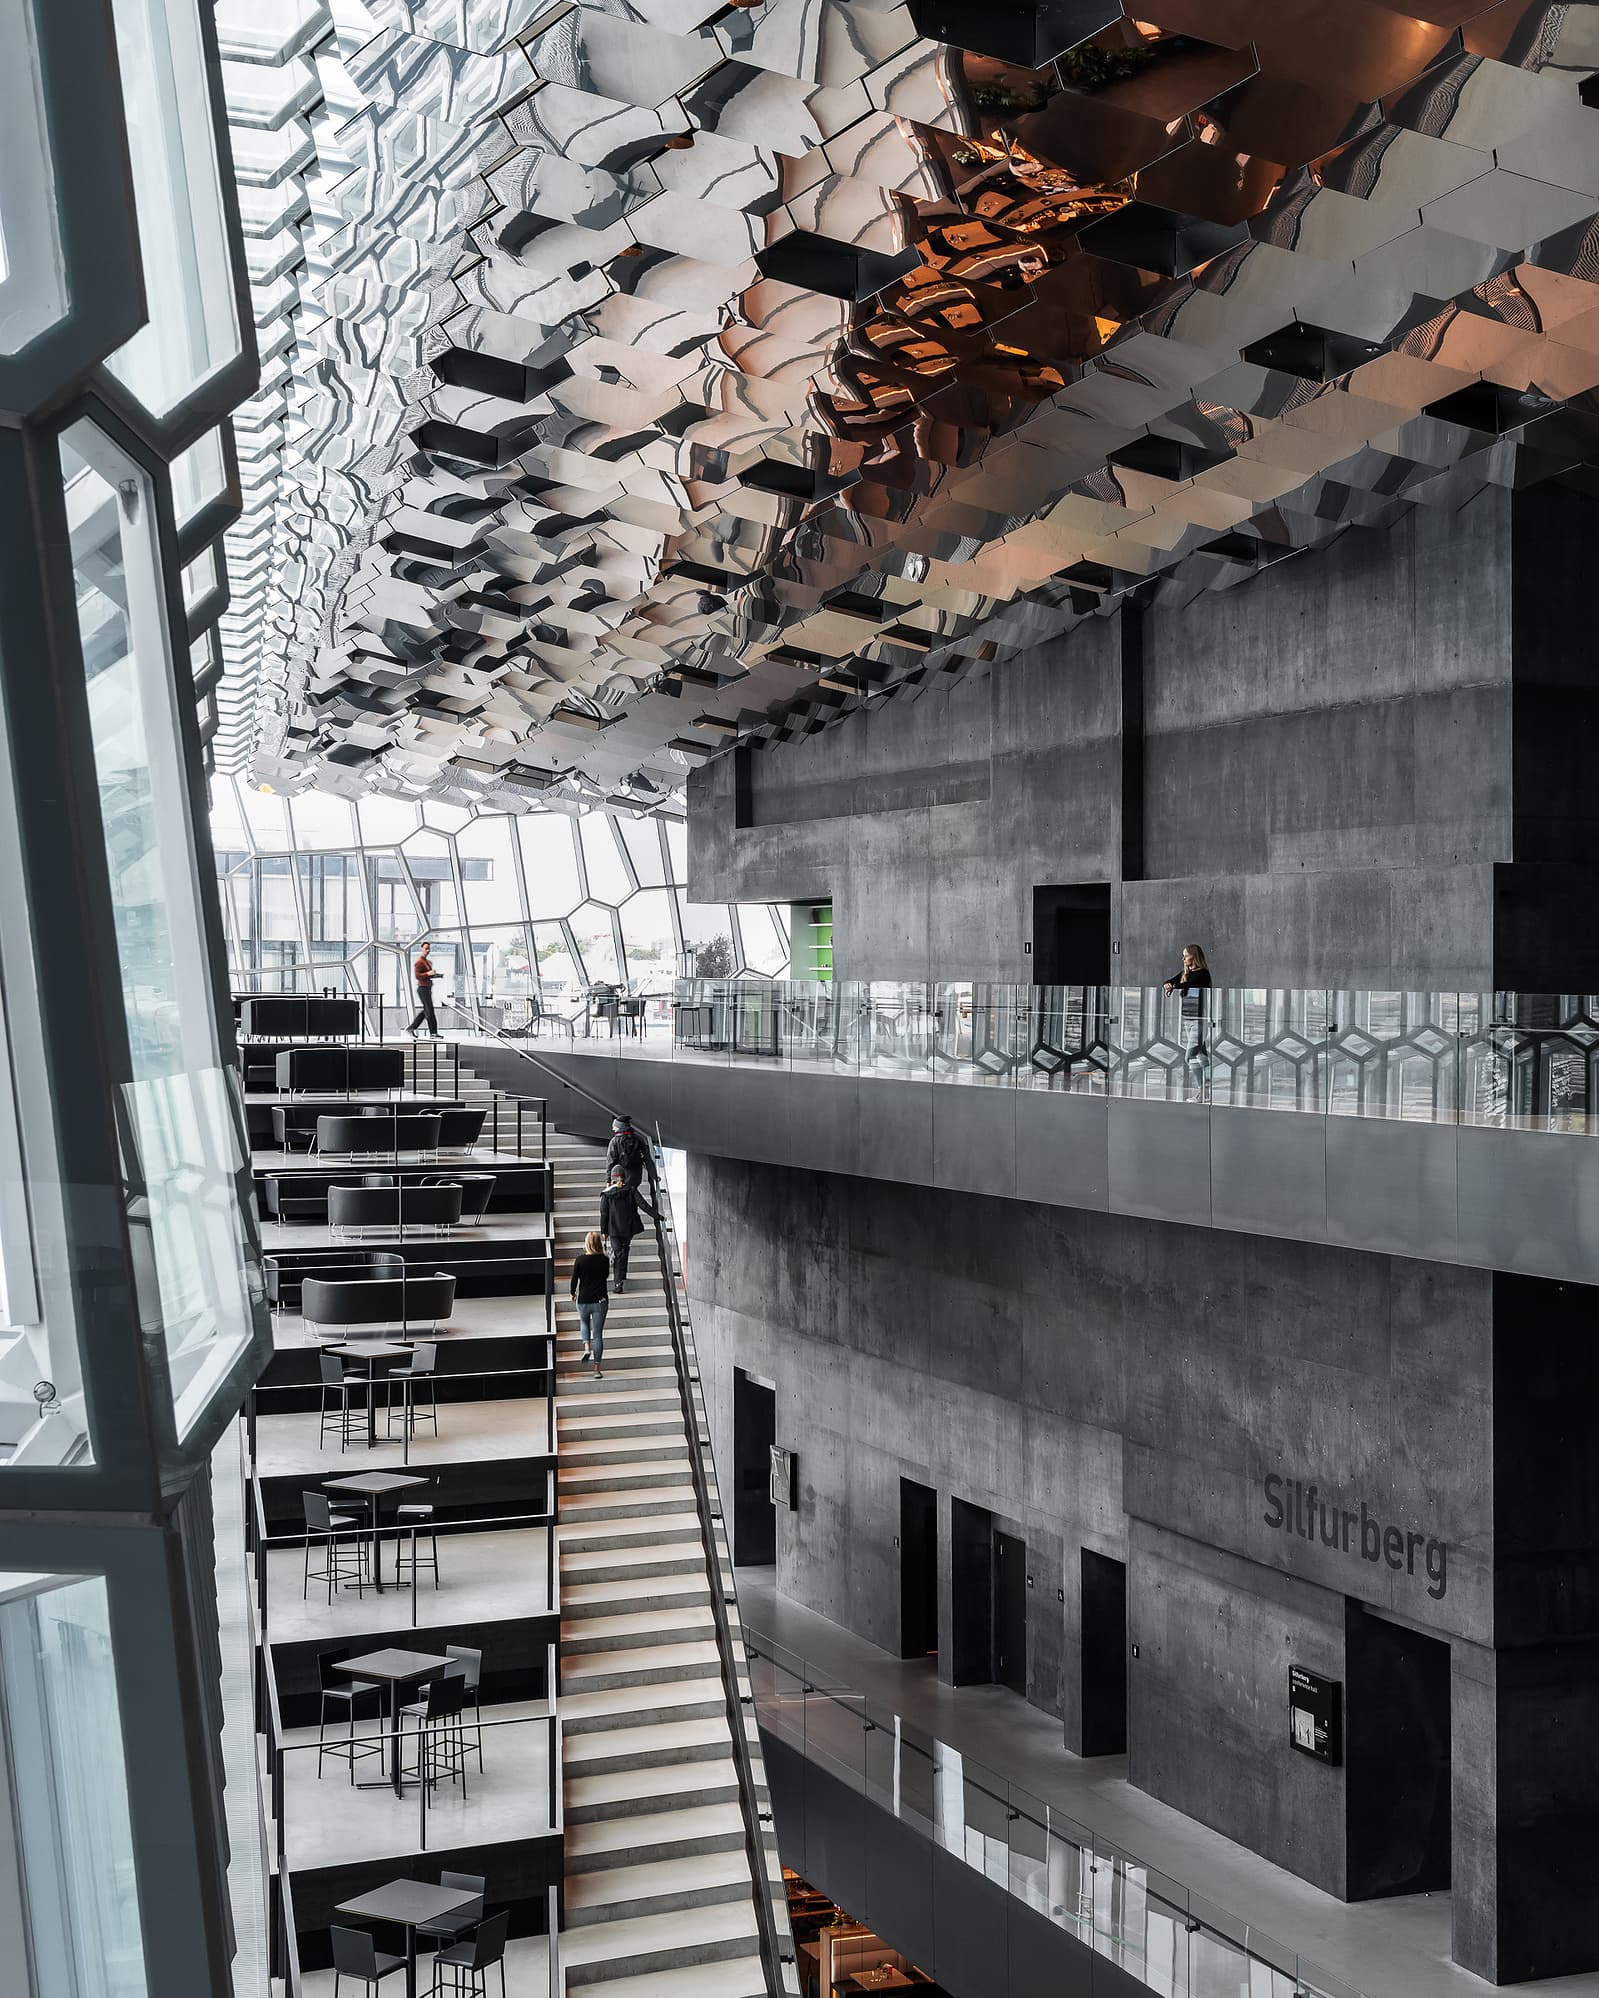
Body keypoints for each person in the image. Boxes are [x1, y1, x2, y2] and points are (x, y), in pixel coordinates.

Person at [1162, 944, 1212, 1098]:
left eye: (1186, 955)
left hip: (1199, 1021)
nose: (1183, 958)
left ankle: (1202, 1091)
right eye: (1183, 955)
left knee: (1189, 1056)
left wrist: (1174, 986)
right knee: (1202, 1056)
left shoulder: (1202, 974)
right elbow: (1168, 981)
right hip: (1187, 1020)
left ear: (1194, 956)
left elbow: (1191, 984)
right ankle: (1207, 1090)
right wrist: (1168, 984)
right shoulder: (1186, 973)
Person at [599, 1166, 653, 1294]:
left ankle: (618, 1283)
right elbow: (643, 1205)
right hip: (628, 1228)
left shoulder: (606, 1194)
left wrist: (603, 1231)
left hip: (614, 1230)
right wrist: (658, 1216)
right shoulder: (631, 1190)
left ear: (612, 1178)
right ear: (624, 1176)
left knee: (618, 1253)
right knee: (625, 1249)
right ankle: (622, 1275)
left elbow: (604, 1214)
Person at [570, 1229, 609, 1375]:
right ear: (599, 1244)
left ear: (586, 1243)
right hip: (600, 1301)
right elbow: (605, 1276)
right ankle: (597, 1370)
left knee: (584, 1322)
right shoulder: (604, 1260)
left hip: (583, 1300)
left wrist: (572, 1293)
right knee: (598, 1334)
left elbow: (574, 1279)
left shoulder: (580, 1260)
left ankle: (586, 1346)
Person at [605, 1114, 656, 1199]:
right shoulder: (639, 1139)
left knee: (623, 1197)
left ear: (619, 1127)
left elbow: (610, 1162)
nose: (613, 1128)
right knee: (633, 1196)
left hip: (621, 1176)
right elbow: (647, 1158)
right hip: (636, 1175)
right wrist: (653, 1174)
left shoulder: (614, 1141)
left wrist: (608, 1180)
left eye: (614, 1126)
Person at [408, 939, 442, 1039]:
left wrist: (437, 975)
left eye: (429, 949)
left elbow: (427, 976)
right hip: (422, 988)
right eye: (426, 948)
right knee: (429, 1010)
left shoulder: (428, 962)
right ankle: (433, 1033)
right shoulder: (419, 962)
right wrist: (428, 973)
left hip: (427, 988)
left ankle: (411, 1028)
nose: (428, 950)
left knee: (426, 1010)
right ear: (422, 949)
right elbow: (417, 976)